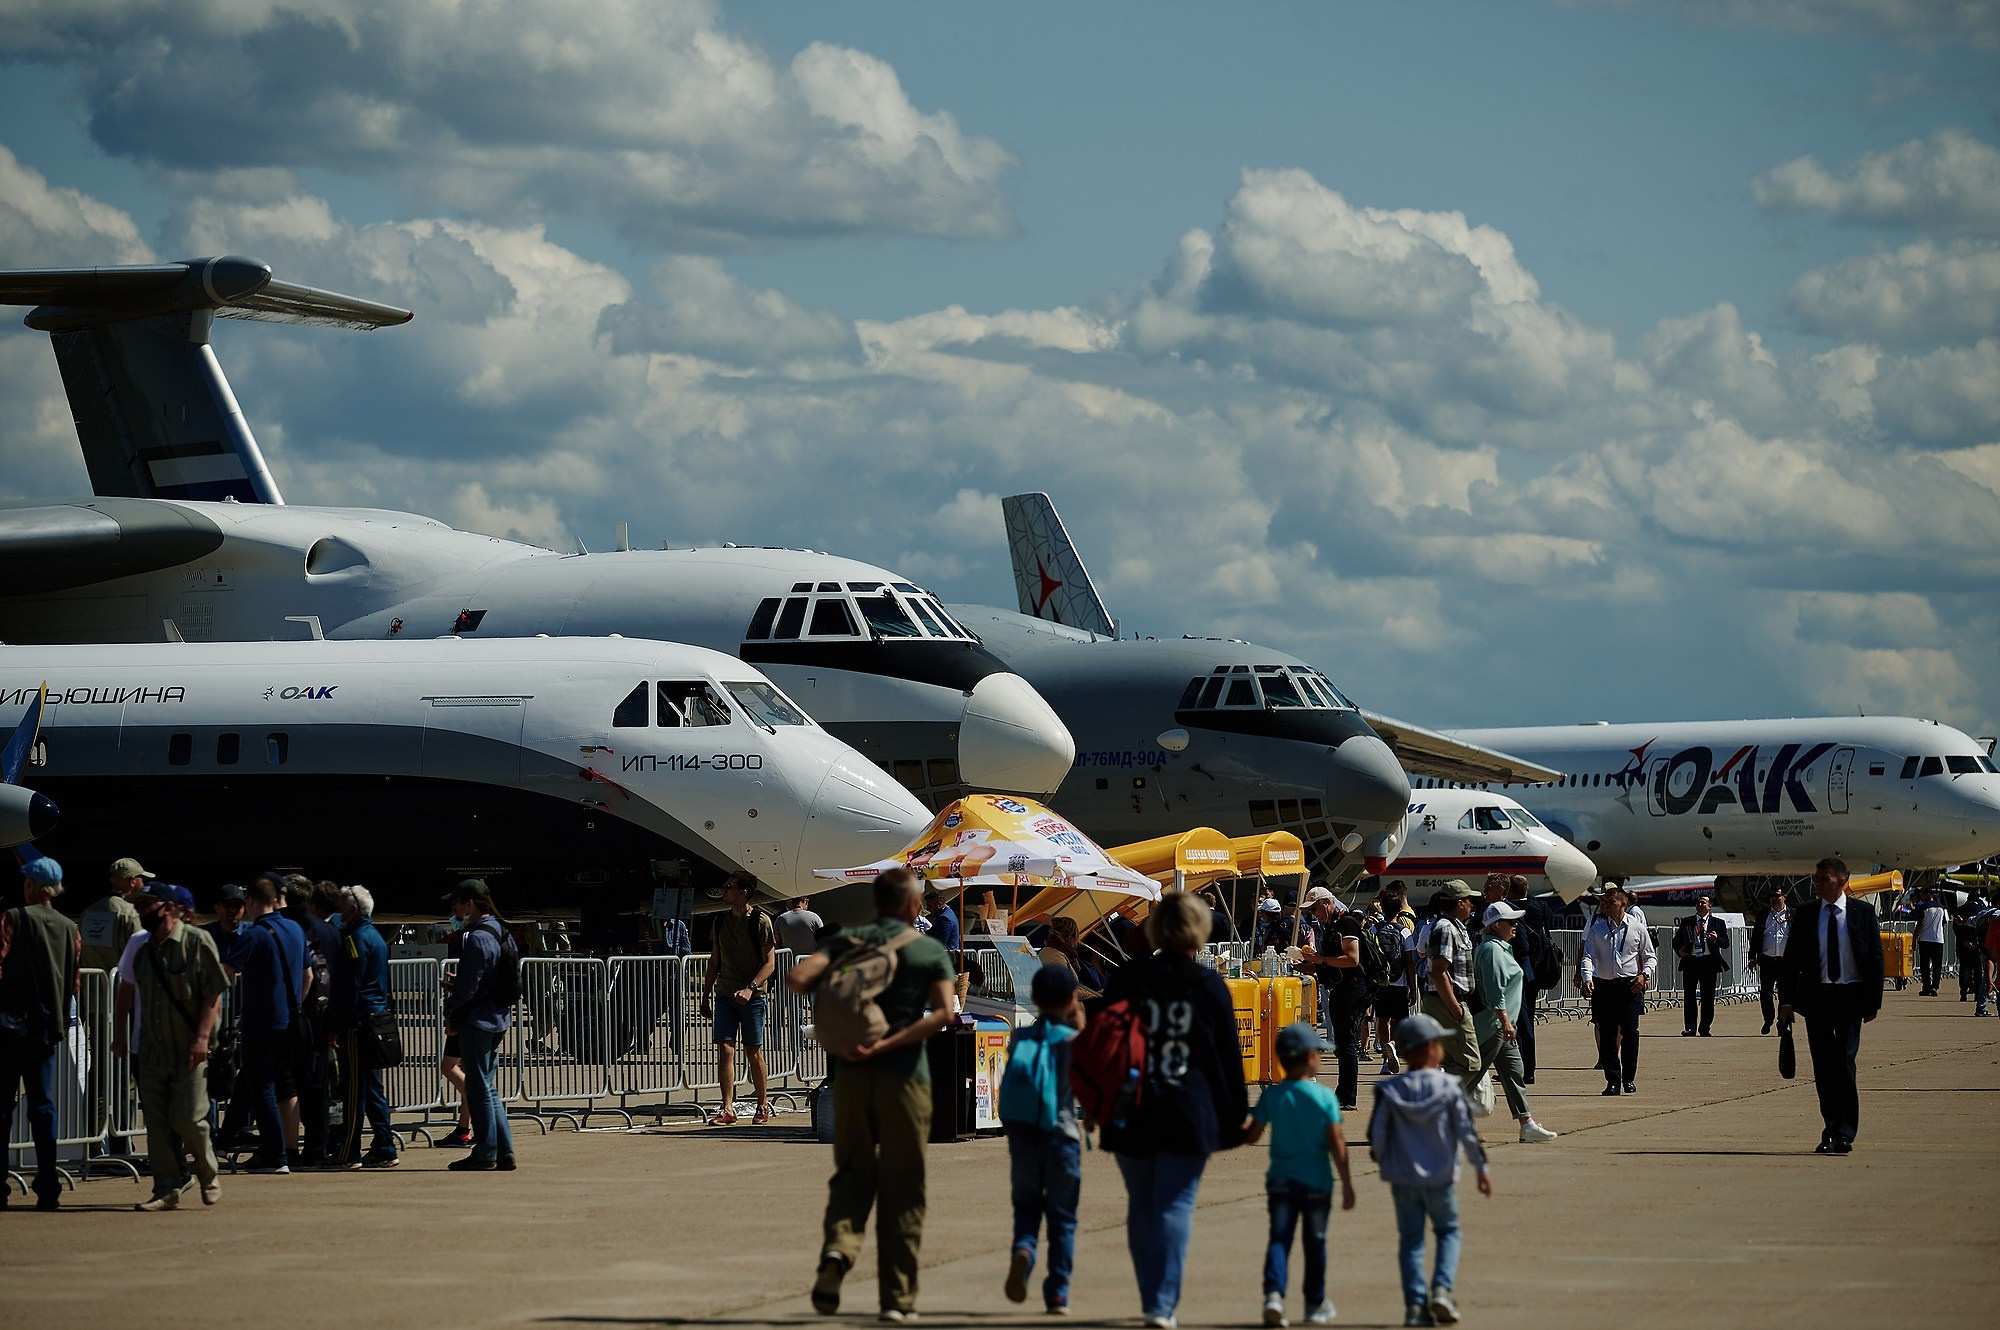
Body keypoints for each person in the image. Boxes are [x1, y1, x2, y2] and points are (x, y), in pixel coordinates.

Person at [787, 868, 956, 1322]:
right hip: (905, 1078)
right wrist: (889, 1041)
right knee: (904, 1187)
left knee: (852, 1176)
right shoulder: (926, 949)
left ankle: (838, 1253)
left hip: (852, 1076)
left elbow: (798, 979)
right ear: (913, 906)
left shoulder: (849, 941)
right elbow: (943, 1013)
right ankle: (896, 1299)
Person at [1098, 890, 1250, 1329]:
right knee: (1174, 1204)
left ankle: (1152, 1296)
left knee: (1142, 1205)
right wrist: (1237, 1114)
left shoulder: (1127, 978)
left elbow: (1105, 1042)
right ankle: (1161, 1305)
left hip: (1130, 1104)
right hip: (1188, 1106)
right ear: (1200, 930)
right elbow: (1226, 1057)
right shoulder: (1207, 985)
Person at [1368, 1013, 1491, 1328]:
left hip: (1402, 1178)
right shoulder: (1449, 1087)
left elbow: (1378, 1134)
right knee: (1448, 1231)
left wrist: (1384, 1160)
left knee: (1411, 1241)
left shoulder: (1391, 1090)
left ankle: (1414, 1306)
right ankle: (1442, 1289)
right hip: (1441, 1176)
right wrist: (1480, 1168)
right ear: (1432, 1049)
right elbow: (1466, 1132)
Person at [116, 883, 226, 1211]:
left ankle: (207, 1173)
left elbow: (213, 993)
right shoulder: (143, 948)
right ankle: (165, 1188)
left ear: (167, 907)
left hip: (188, 1049)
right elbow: (129, 992)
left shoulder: (196, 941)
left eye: (145, 905)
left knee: (189, 1119)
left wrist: (203, 1039)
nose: (139, 912)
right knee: (157, 1122)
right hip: (152, 1049)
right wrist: (121, 1038)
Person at [1243, 1022, 1355, 1328]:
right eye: (1318, 1053)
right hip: (1317, 1184)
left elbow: (1252, 1136)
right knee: (1315, 1242)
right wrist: (1346, 1182)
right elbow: (1336, 1141)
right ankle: (1315, 1303)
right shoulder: (1324, 1097)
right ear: (1308, 1057)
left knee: (1279, 1239)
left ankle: (1274, 1298)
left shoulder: (1273, 1097)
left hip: (1281, 1182)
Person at [1779, 858, 1884, 1154]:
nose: (1817, 883)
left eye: (1823, 878)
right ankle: (1831, 1128)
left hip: (1851, 999)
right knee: (1824, 1067)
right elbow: (1791, 962)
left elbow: (1876, 958)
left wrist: (1873, 1001)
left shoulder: (1862, 913)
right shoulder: (1806, 914)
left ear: (1841, 881)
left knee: (1844, 1063)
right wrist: (1786, 1001)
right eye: (1816, 878)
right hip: (1818, 999)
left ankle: (1846, 1131)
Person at [999, 963, 1085, 1316]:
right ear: (1070, 1000)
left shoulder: (1020, 1037)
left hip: (1023, 1135)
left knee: (1027, 1207)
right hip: (1061, 1136)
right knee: (1063, 1218)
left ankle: (1024, 1249)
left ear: (1033, 997)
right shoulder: (1072, 1040)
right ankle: (1058, 1293)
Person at [0, 857, 82, 1211]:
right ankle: (48, 1186)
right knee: (43, 1108)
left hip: (8, 1028)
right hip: (46, 1030)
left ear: (31, 885)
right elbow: (74, 978)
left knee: (2, 1109)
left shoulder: (13, 919)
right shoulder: (68, 927)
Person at [233, 875, 308, 1174]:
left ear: (251, 901)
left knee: (261, 1085)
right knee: (284, 1086)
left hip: (261, 1020)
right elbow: (309, 976)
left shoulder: (254, 934)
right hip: (289, 1020)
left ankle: (274, 1154)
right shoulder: (295, 929)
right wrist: (295, 1007)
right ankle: (284, 1150)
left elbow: (226, 971)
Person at [445, 879, 517, 1171]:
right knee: (488, 1087)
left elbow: (470, 987)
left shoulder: (476, 937)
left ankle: (486, 1152)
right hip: (498, 1017)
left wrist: (452, 1013)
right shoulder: (502, 932)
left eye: (457, 903)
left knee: (478, 1087)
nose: (454, 908)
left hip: (479, 1020)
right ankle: (504, 1149)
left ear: (469, 904)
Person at [1471, 901, 1557, 1145]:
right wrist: (1505, 1021)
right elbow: (1494, 988)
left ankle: (1526, 1124)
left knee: (1514, 1072)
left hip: (1502, 1026)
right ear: (1496, 925)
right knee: (1471, 1076)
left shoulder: (1500, 947)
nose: (1516, 925)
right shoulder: (1492, 950)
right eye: (1511, 921)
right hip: (1493, 1025)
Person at [703, 873, 777, 1125]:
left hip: (753, 997)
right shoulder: (720, 920)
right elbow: (715, 960)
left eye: (729, 887)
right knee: (725, 1049)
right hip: (725, 994)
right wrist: (705, 995)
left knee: (753, 1051)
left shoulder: (760, 920)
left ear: (743, 892)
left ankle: (762, 1105)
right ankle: (727, 1108)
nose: (724, 891)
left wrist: (750, 988)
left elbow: (770, 963)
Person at [333, 885, 398, 1169]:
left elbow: (351, 987)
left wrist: (337, 1023)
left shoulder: (355, 938)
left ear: (353, 909)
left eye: (342, 906)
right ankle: (384, 1145)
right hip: (376, 1018)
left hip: (360, 1022)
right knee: (372, 1089)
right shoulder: (375, 936)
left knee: (354, 1091)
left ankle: (349, 1151)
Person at [281, 876, 340, 1167]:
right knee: (316, 1086)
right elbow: (339, 978)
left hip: (294, 1013)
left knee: (286, 1083)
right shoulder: (330, 931)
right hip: (323, 1015)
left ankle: (284, 1146)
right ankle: (317, 1147)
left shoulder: (285, 927)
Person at [1579, 884, 1656, 1095]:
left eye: (1610, 901)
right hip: (1604, 986)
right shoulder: (1597, 928)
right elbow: (1588, 956)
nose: (1604, 904)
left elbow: (1650, 956)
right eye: (1603, 901)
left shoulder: (1637, 928)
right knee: (1608, 1034)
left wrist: (1644, 975)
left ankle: (1629, 1078)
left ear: (1623, 903)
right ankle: (1612, 1079)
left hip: (1630, 986)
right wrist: (1587, 977)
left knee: (1630, 1032)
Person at [1417, 880, 1482, 1098]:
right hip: (1445, 1001)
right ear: (1460, 903)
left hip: (1444, 1000)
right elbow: (1438, 971)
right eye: (1469, 901)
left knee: (1451, 1060)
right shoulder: (1446, 928)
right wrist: (1455, 1007)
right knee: (1470, 1063)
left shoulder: (1453, 927)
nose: (1472, 905)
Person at [1304, 888, 1367, 1111]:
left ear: (1327, 903)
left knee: (1347, 1042)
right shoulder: (1331, 926)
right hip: (1341, 988)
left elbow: (1352, 959)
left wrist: (1320, 959)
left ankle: (1347, 1096)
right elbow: (1330, 961)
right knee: (1343, 1041)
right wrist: (1310, 964)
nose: (1313, 914)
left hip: (1353, 988)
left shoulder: (1346, 924)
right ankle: (1344, 1093)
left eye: (1314, 908)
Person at [1502, 876, 1550, 1083]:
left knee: (1517, 1021)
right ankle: (1527, 1068)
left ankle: (1521, 1067)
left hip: (1517, 969)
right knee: (1527, 1020)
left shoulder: (1511, 910)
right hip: (1533, 970)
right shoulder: (1539, 906)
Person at [1369, 884, 1417, 1074]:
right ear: (1399, 909)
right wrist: (1413, 988)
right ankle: (1393, 1045)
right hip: (1399, 983)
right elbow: (1409, 962)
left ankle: (1385, 1060)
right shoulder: (1404, 931)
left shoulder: (1373, 929)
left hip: (1380, 983)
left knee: (1382, 1020)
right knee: (1399, 1021)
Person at [79, 856, 151, 973]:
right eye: (142, 879)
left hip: (91, 987)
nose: (144, 884)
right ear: (133, 881)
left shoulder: (88, 912)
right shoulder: (131, 913)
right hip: (122, 987)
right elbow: (140, 953)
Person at [1673, 894, 1729, 1036]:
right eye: (1698, 902)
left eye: (1703, 903)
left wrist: (1716, 939)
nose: (1700, 905)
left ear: (1710, 906)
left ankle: (1705, 1027)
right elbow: (1676, 941)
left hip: (1708, 962)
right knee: (1689, 996)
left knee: (1708, 998)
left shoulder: (1718, 923)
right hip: (1691, 962)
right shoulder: (1687, 922)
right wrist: (1680, 951)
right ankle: (1690, 1027)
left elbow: (1726, 943)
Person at [1748, 889, 1792, 1034]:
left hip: (1785, 961)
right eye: (1771, 896)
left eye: (1777, 896)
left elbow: (1799, 938)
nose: (1774, 898)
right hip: (1767, 960)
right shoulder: (1763, 914)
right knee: (1766, 993)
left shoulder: (1793, 914)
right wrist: (1752, 957)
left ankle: (1782, 1023)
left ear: (1784, 896)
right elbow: (1755, 938)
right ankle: (1768, 1019)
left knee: (1785, 994)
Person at [921, 887, 962, 953]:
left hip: (947, 957)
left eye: (929, 906)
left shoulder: (944, 918)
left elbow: (938, 942)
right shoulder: (947, 913)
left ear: (939, 904)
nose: (927, 909)